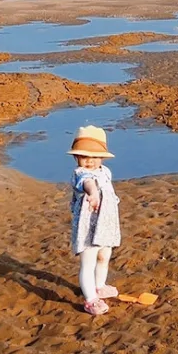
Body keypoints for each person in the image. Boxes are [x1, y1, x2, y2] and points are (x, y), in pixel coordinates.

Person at [69, 124, 122, 316]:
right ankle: (90, 299)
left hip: (105, 223)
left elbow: (108, 190)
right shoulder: (80, 174)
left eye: (94, 156)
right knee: (89, 260)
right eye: (84, 156)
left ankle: (99, 286)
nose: (90, 161)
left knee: (104, 255)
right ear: (76, 157)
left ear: (102, 158)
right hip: (88, 226)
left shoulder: (105, 172)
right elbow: (88, 183)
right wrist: (93, 194)